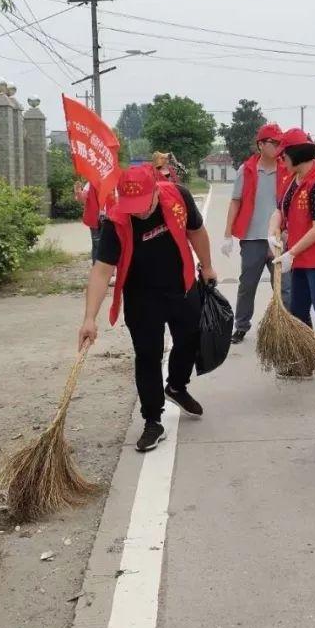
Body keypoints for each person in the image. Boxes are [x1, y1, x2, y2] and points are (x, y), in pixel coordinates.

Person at [78, 165, 217, 453]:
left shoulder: (179, 197)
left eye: (144, 205)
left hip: (183, 285)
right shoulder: (116, 220)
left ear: (156, 190)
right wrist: (89, 318)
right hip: (142, 297)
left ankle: (177, 385)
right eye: (133, 207)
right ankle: (153, 420)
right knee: (148, 356)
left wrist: (207, 265)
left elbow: (196, 231)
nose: (139, 213)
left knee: (191, 339)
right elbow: (102, 270)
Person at [268, 128, 315, 391]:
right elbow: (279, 211)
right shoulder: (293, 181)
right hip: (298, 260)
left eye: (284, 154)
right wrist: (273, 232)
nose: (281, 159)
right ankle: (306, 361)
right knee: (298, 313)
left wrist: (291, 252)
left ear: (296, 154)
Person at [221, 123, 292, 343]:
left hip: (279, 239)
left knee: (284, 287)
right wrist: (227, 235)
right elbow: (235, 202)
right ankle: (241, 326)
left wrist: (288, 232)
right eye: (274, 142)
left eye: (280, 143)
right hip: (252, 238)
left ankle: (286, 327)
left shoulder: (287, 169)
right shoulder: (247, 170)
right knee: (247, 285)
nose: (278, 147)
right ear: (261, 144)